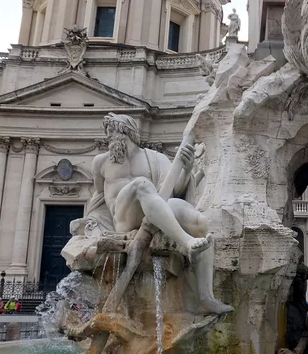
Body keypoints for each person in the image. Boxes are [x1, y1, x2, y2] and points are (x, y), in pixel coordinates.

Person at [82, 113, 232, 315]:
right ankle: (187, 243)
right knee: (142, 185)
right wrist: (92, 224)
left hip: (156, 210)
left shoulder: (155, 158)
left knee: (201, 223)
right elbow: (99, 197)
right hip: (124, 218)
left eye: (112, 132)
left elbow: (174, 190)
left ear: (127, 131)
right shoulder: (101, 162)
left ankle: (205, 297)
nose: (109, 138)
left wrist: (187, 170)